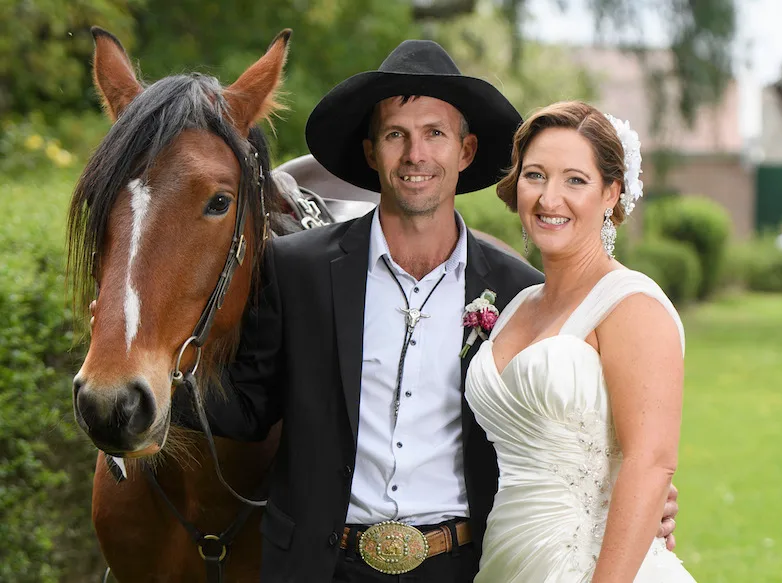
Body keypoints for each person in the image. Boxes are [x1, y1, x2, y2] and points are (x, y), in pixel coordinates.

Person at [162, 41, 680, 581]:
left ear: (466, 149)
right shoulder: (295, 269)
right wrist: (144, 376)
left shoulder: (518, 294)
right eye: (395, 135)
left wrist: (638, 490)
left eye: (435, 133)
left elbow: (575, 426)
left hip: (464, 564)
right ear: (370, 153)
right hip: (321, 564)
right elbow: (248, 407)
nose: (416, 155)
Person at [464, 101, 695, 582]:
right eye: (535, 175)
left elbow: (650, 463)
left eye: (575, 179)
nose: (550, 199)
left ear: (611, 192)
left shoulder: (632, 305)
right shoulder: (516, 306)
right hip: (507, 561)